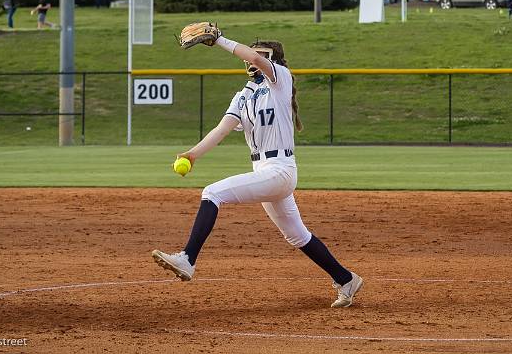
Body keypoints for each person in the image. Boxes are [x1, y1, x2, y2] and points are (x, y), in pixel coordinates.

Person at [151, 31, 364, 308]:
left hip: (280, 169)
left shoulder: (281, 79)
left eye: (261, 55)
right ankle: (346, 279)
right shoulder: (244, 95)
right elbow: (221, 130)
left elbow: (251, 56)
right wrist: (192, 155)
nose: (252, 59)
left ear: (273, 58)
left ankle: (188, 259)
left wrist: (219, 40)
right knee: (297, 235)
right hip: (265, 170)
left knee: (212, 192)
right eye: (254, 55)